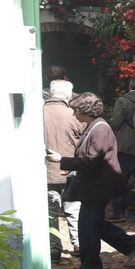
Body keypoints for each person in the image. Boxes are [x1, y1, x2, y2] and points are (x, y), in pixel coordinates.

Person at [55, 92, 135, 269]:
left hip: (98, 187)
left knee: (87, 226)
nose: (74, 114)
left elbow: (92, 160)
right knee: (94, 223)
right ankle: (130, 244)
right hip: (95, 185)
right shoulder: (94, 126)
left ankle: (91, 267)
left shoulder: (100, 129)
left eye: (76, 111)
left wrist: (62, 161)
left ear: (86, 111)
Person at [43, 80, 82, 253]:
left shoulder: (37, 113)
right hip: (70, 170)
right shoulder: (74, 115)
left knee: (51, 212)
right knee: (74, 210)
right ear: (68, 95)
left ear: (50, 94)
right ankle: (78, 243)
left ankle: (54, 249)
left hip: (46, 171)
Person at [107, 75, 135, 220]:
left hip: (125, 146)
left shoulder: (122, 101)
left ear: (130, 86)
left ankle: (119, 212)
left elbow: (116, 122)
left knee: (121, 179)